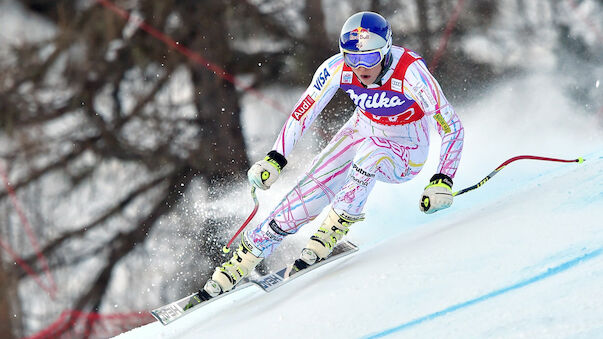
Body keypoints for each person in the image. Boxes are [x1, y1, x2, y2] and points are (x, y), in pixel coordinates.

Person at [201, 11, 464, 297]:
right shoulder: (338, 68)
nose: (361, 68)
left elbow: (452, 127)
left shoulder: (411, 74)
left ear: (386, 51)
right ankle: (246, 256)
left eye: (369, 58)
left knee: (370, 155)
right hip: (364, 127)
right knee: (309, 190)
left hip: (408, 145)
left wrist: (442, 179)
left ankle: (331, 229)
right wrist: (275, 158)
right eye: (352, 58)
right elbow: (303, 112)